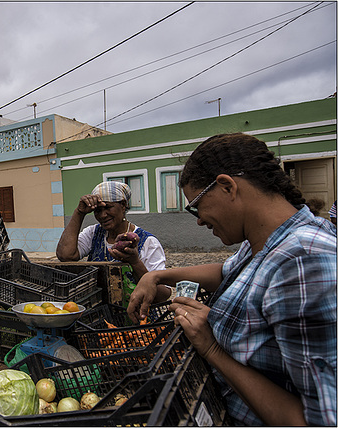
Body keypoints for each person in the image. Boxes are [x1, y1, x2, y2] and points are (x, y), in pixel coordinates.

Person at [127, 133, 336, 426]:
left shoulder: (304, 262)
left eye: (196, 206)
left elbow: (318, 421)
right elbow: (228, 273)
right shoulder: (262, 240)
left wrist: (212, 348)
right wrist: (157, 275)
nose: (198, 220)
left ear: (227, 187)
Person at [56, 181, 166, 284]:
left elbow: (163, 293)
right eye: (98, 210)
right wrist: (79, 213)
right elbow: (66, 255)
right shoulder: (93, 233)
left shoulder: (148, 242)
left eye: (108, 207)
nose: (103, 215)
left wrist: (135, 262)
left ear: (123, 205)